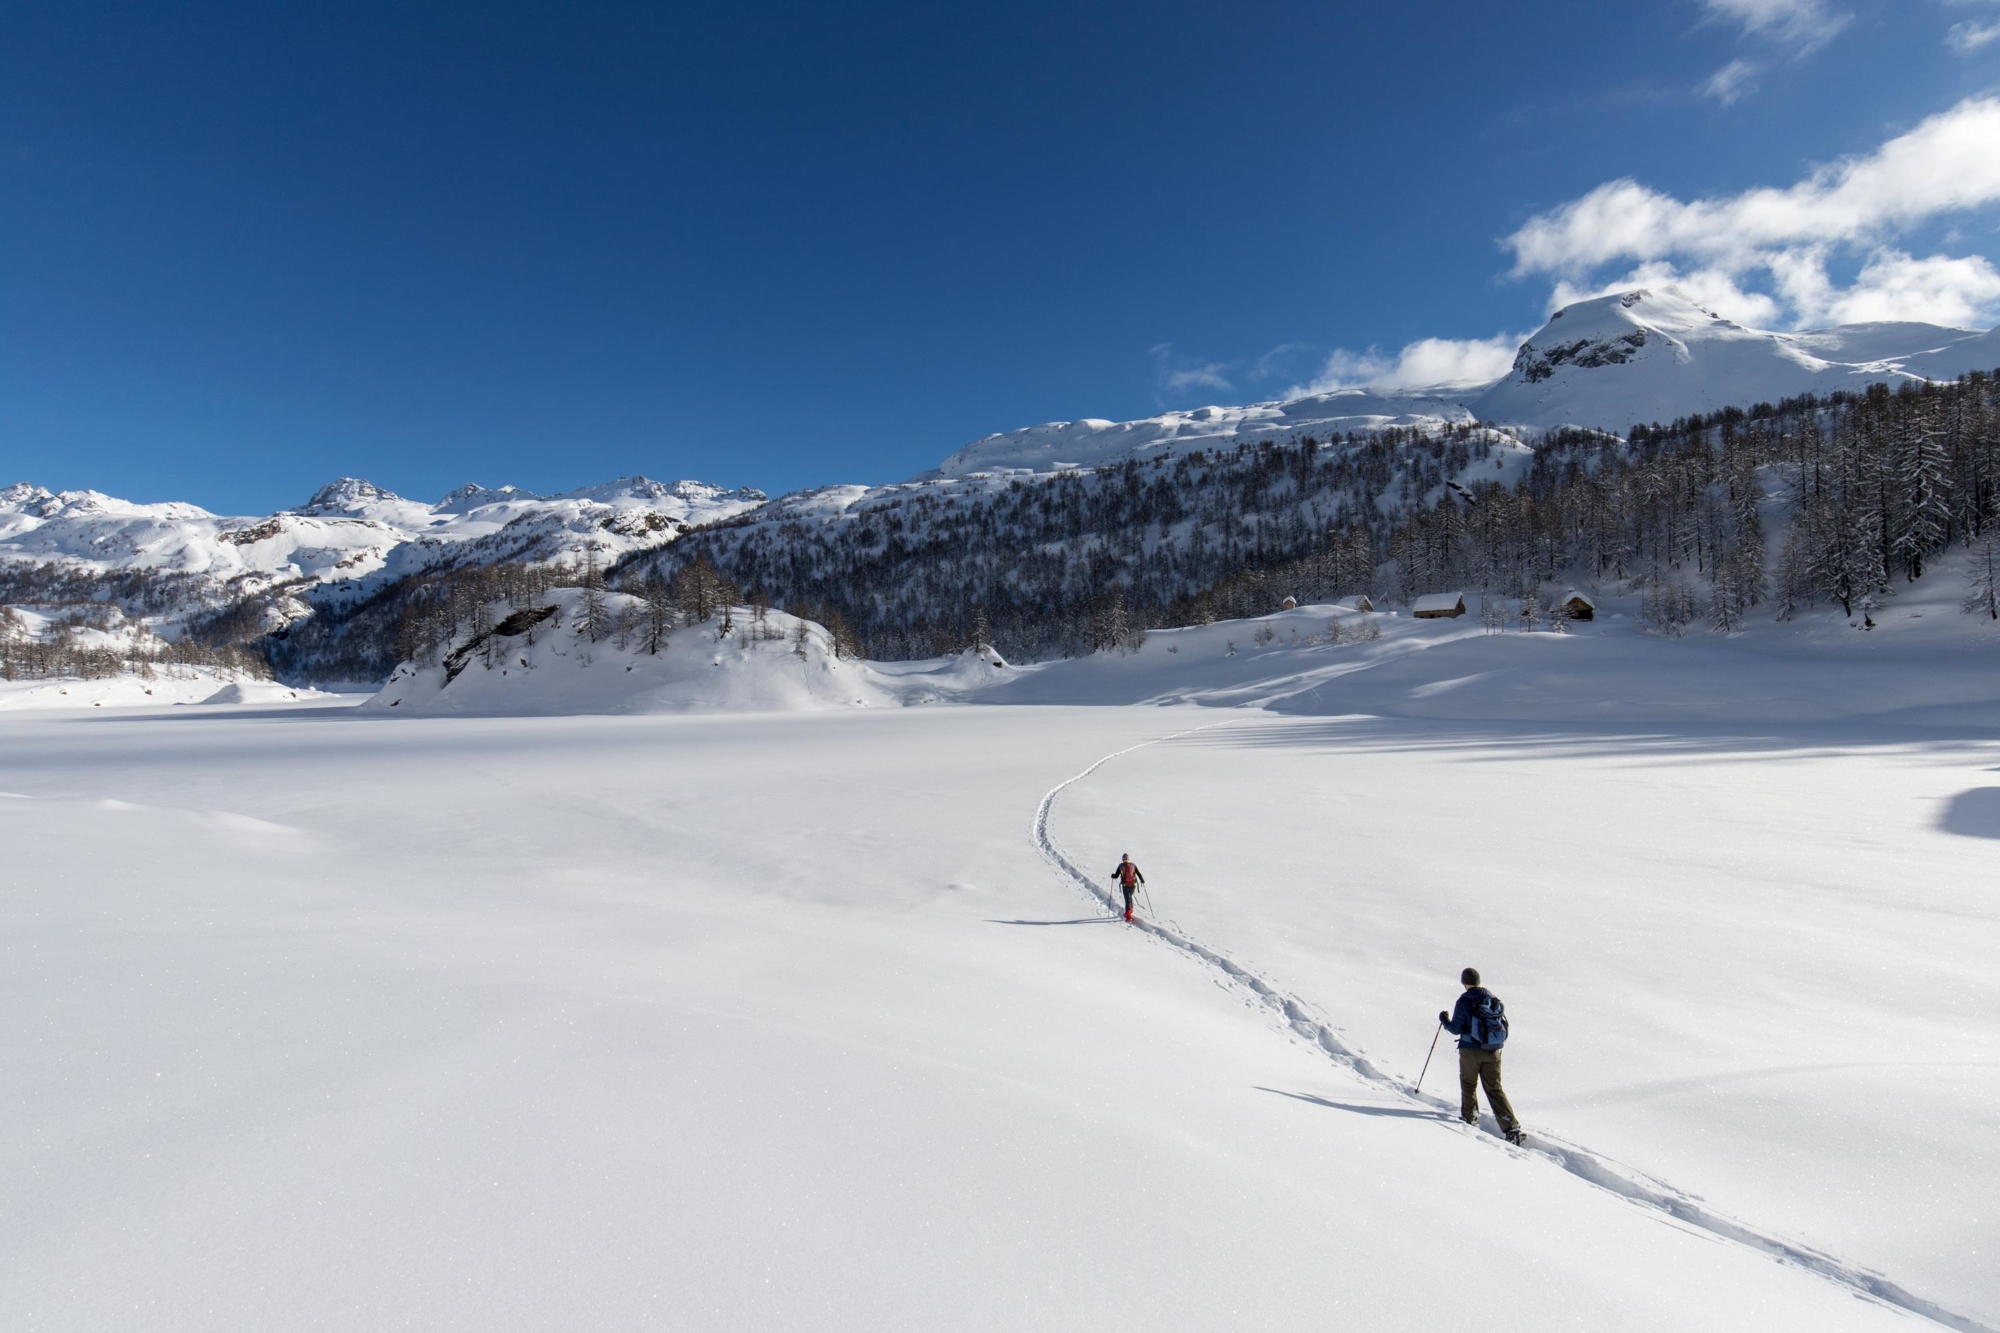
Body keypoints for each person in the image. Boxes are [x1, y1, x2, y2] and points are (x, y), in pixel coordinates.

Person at [1439, 967, 1524, 1145]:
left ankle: (1471, 1119)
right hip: (1493, 1051)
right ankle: (1511, 1127)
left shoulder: (1465, 1000)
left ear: (1464, 982)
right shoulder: (1492, 999)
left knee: (1469, 1085)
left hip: (1470, 1051)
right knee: (1494, 1088)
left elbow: (1456, 1029)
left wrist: (1444, 1020)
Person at [1110, 854, 1145, 922]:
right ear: (1128, 859)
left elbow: (1116, 876)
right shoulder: (1133, 865)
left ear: (1123, 859)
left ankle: (1128, 916)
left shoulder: (1121, 866)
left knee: (1127, 900)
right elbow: (1138, 873)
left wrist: (1113, 876)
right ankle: (1130, 912)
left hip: (1125, 885)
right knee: (1130, 897)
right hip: (1133, 885)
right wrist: (1142, 880)